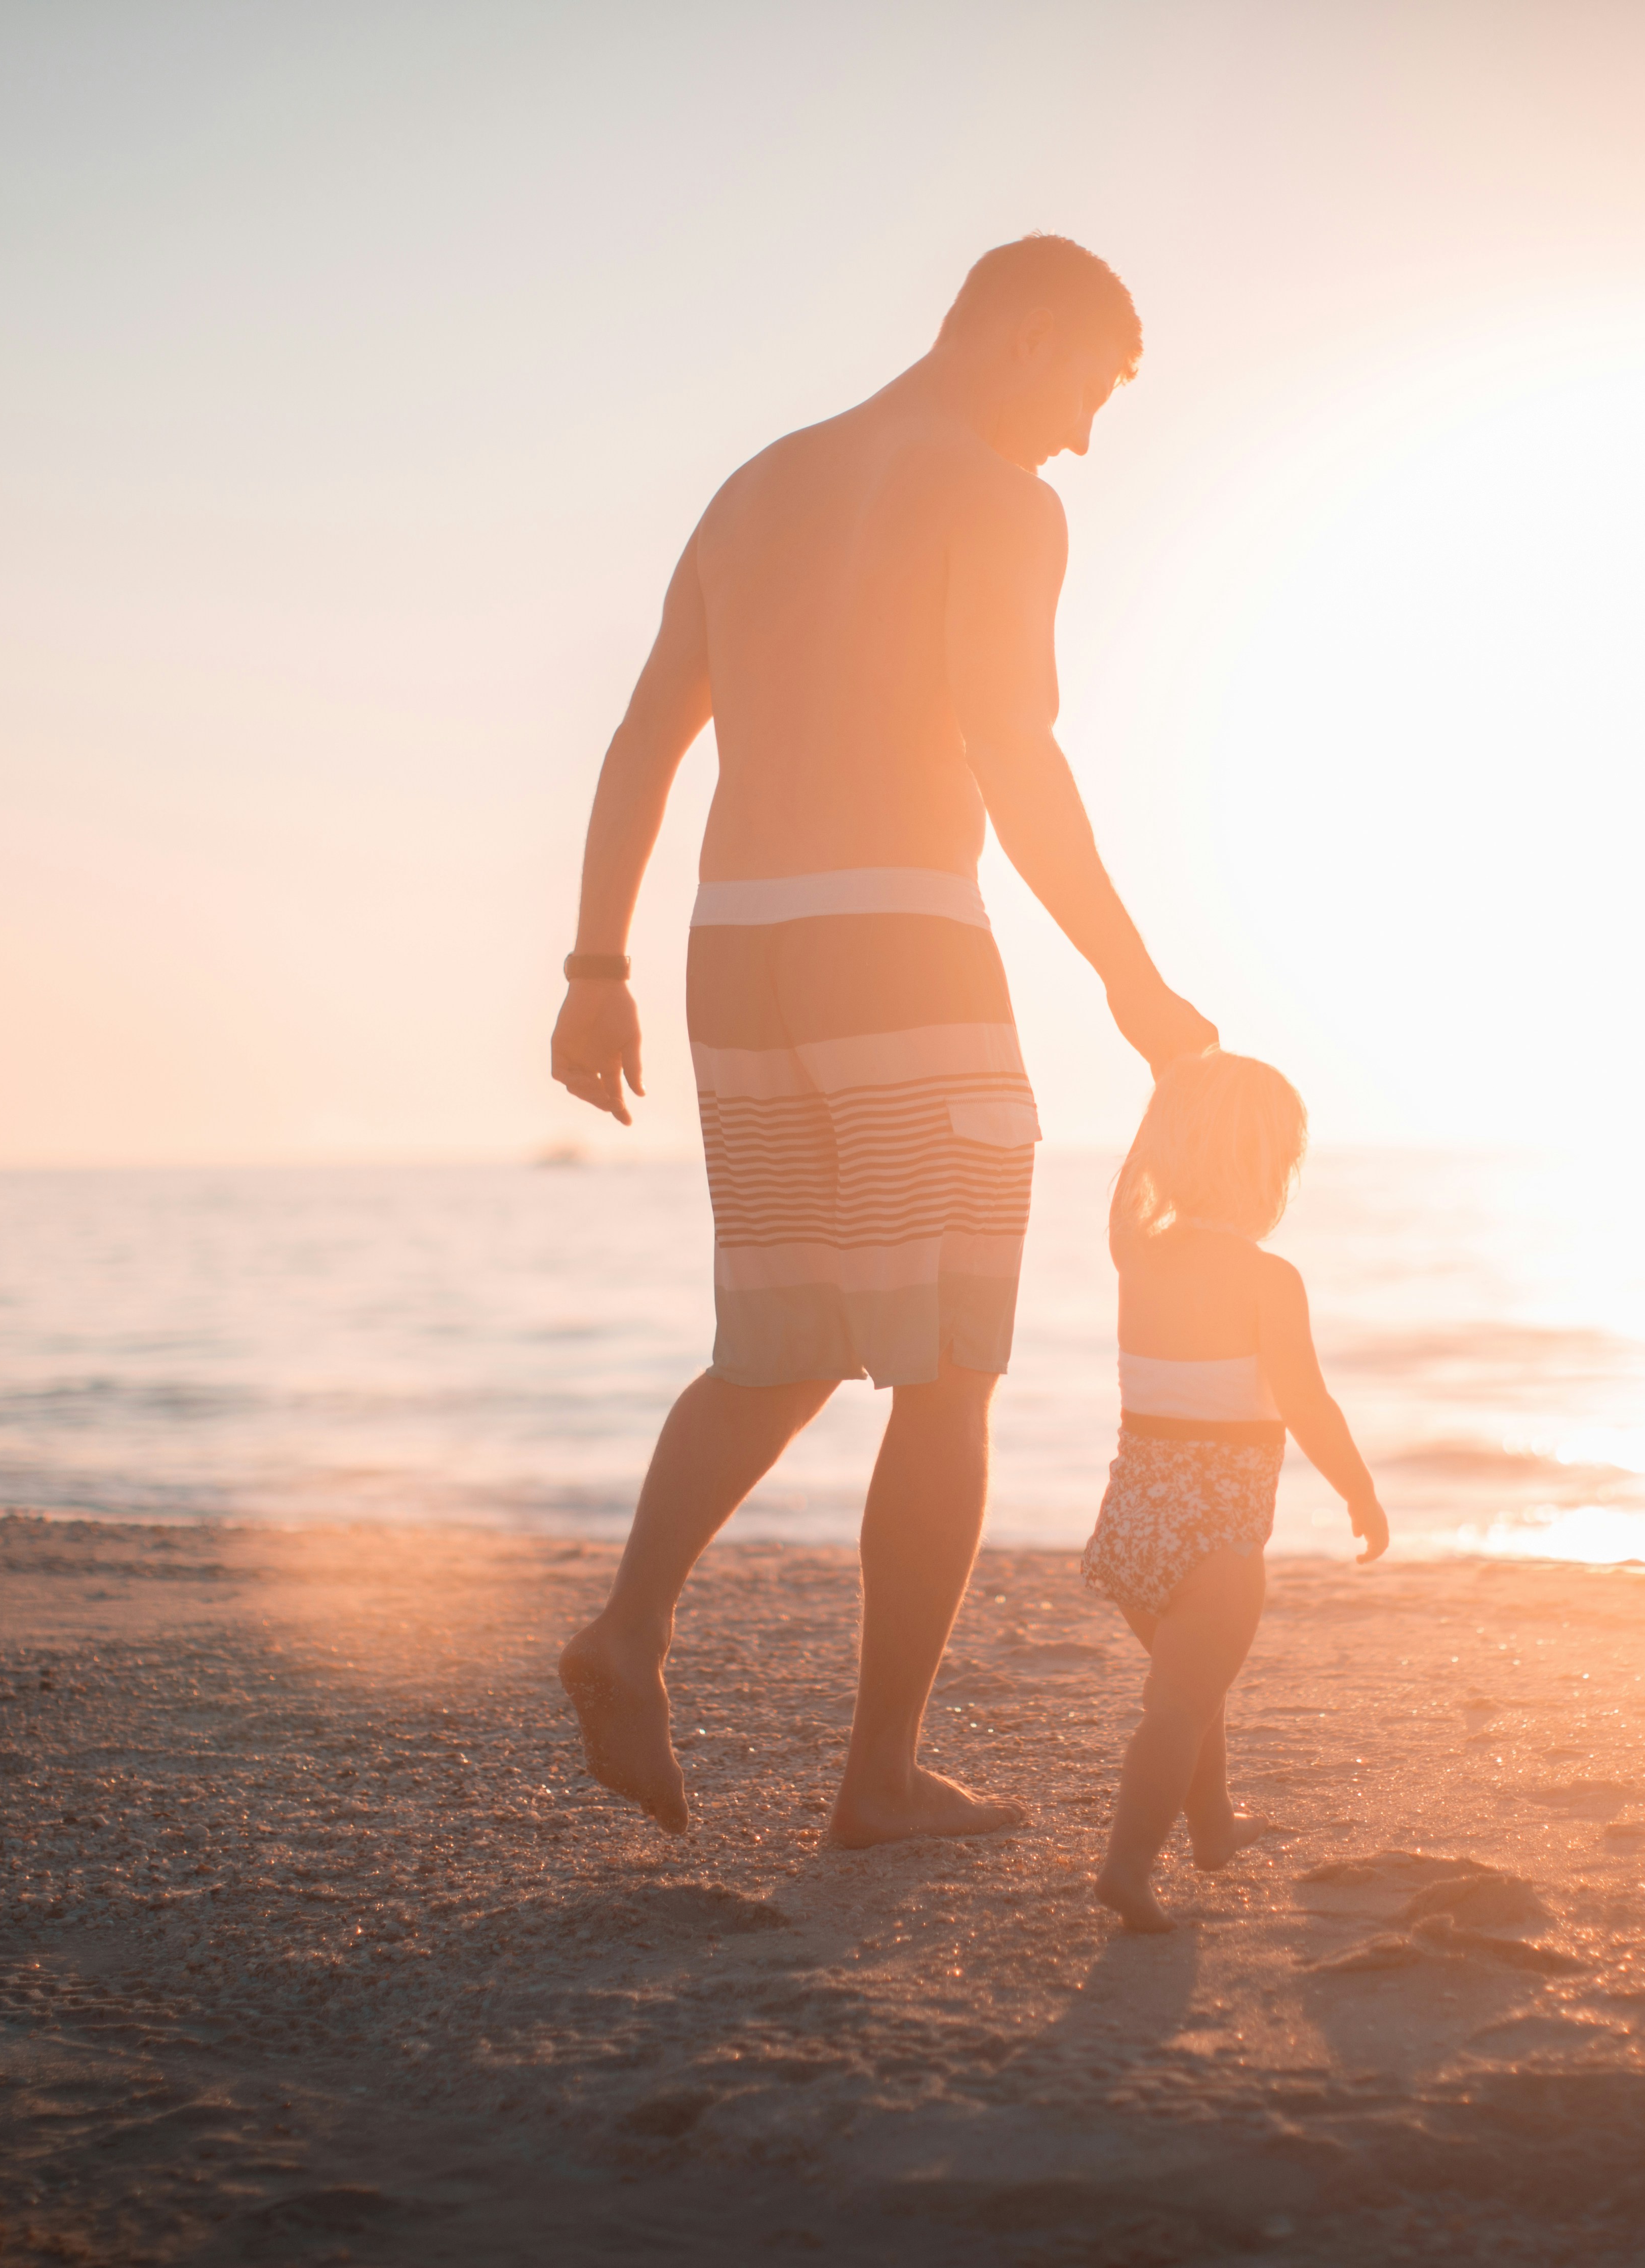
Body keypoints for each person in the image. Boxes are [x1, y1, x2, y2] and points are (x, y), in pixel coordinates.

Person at [545, 235, 1217, 1848]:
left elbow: (650, 730)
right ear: (1031, 335)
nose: (1083, 436)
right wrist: (1132, 981)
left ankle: (629, 1630)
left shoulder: (758, 485)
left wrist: (592, 967)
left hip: (736, 952)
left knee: (779, 1347)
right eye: (1092, 388)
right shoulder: (997, 498)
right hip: (903, 946)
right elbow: (1014, 753)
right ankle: (877, 1782)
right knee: (948, 1369)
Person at [1082, 1052, 1389, 1932]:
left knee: (1191, 1686)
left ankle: (1212, 1826)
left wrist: (1166, 1093)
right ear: (1270, 1173)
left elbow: (1130, 1180)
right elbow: (1307, 1404)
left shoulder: (1136, 1251)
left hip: (1133, 1523)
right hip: (1218, 1531)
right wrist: (1359, 1492)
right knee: (1178, 1706)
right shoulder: (1268, 1280)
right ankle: (1127, 1868)